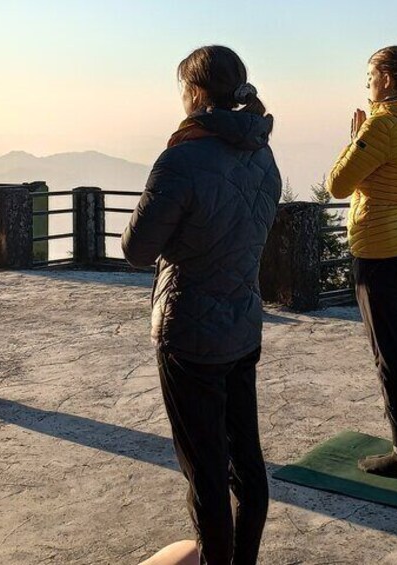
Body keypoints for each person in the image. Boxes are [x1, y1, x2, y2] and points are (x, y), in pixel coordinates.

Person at [122, 46, 281, 564]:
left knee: (205, 471)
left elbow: (136, 249)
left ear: (193, 93)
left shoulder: (181, 157)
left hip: (190, 330)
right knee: (246, 462)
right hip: (243, 323)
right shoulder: (263, 152)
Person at [327, 45, 397, 478]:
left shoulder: (383, 126)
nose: (367, 84)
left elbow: (338, 184)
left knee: (389, 355)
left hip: (380, 251)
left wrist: (356, 137)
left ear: (388, 79)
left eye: (370, 76)